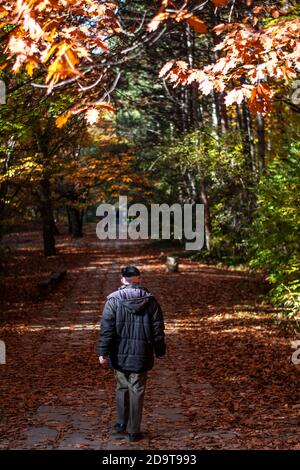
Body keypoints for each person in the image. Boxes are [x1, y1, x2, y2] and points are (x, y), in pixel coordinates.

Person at [98, 265, 166, 442]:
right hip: (141, 353)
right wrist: (159, 350)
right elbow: (158, 328)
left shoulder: (113, 301)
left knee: (121, 386)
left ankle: (121, 423)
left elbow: (106, 329)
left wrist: (103, 352)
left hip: (118, 353)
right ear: (139, 279)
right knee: (137, 390)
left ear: (122, 280)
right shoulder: (151, 301)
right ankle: (134, 431)